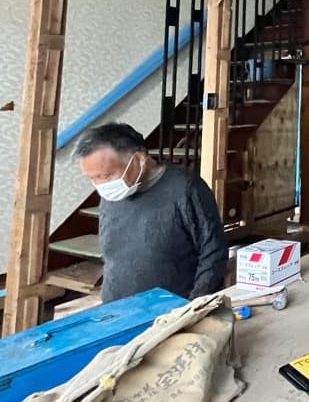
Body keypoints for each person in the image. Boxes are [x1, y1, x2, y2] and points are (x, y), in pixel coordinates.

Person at [74, 122, 227, 303]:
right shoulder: (112, 193)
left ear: (139, 159)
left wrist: (193, 307)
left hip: (171, 309)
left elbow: (213, 252)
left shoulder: (185, 188)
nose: (100, 185)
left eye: (105, 176)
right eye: (92, 179)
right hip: (116, 308)